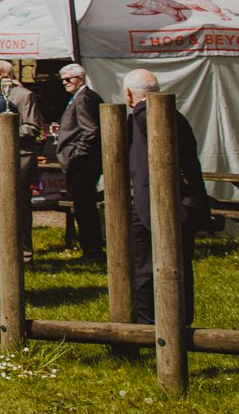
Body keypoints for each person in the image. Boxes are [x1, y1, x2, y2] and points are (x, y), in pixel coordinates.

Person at [123, 69, 211, 326]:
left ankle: (158, 325)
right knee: (168, 267)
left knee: (154, 268)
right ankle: (170, 322)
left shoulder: (146, 117)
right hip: (171, 202)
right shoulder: (172, 115)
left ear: (129, 93)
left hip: (162, 204)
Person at [53, 64, 104, 259]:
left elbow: (90, 130)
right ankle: (91, 246)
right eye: (63, 80)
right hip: (82, 162)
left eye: (69, 79)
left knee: (84, 207)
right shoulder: (84, 96)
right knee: (84, 206)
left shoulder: (83, 98)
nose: (65, 83)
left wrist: (76, 154)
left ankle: (91, 249)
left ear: (80, 78)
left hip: (82, 164)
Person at [0, 60, 40, 261]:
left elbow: (31, 127)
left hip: (20, 158)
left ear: (4, 74)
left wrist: (4, 130)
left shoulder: (24, 95)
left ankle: (25, 252)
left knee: (20, 206)